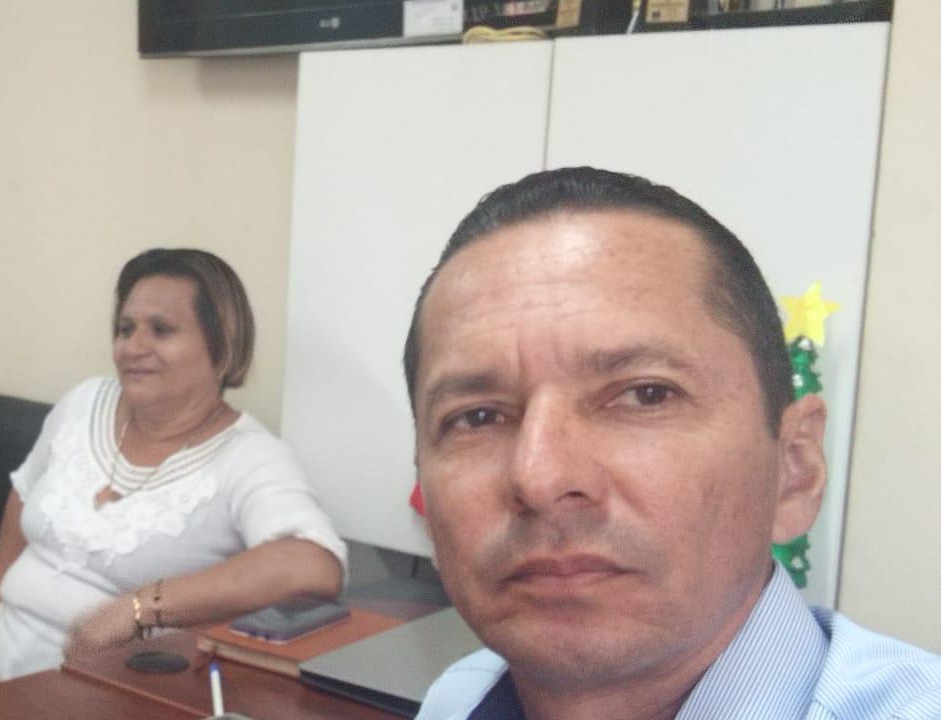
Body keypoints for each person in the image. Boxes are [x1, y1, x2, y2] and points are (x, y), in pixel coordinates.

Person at [402, 167, 941, 719]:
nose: (540, 478)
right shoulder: (456, 699)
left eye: (646, 395)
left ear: (794, 471)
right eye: (478, 417)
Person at [0, 248, 347, 709]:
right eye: (125, 328)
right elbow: (25, 493)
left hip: (99, 696)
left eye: (161, 329)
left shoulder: (248, 456)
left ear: (223, 347)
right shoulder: (86, 402)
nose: (133, 347)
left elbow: (314, 566)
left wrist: (137, 609)